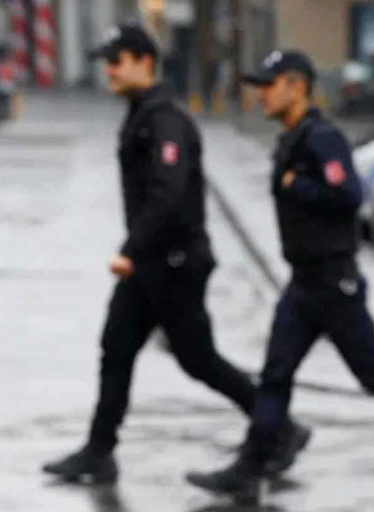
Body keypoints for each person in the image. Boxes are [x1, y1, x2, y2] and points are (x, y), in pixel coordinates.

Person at [184, 50, 374, 504]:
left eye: (269, 85)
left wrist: (300, 185)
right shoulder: (292, 138)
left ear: (296, 85)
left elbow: (349, 194)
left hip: (334, 285)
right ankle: (249, 469)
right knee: (275, 376)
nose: (261, 95)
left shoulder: (322, 138)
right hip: (303, 285)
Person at [41, 24, 308, 484]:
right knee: (116, 348)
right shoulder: (142, 114)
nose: (109, 71)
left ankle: (281, 427)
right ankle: (99, 451)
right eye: (107, 63)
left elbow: (167, 194)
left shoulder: (166, 121)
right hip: (150, 263)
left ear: (144, 62)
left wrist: (131, 249)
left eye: (117, 61)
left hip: (175, 263)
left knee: (198, 360)